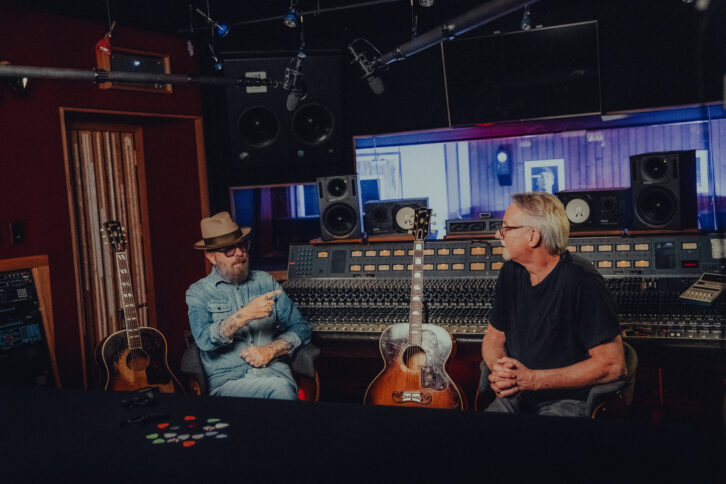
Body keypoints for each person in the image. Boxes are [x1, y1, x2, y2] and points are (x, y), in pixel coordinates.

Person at [481, 192, 626, 417]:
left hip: (567, 400)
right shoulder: (510, 272)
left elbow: (612, 365)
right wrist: (502, 371)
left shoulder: (582, 281)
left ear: (532, 236)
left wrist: (533, 380)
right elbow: (493, 339)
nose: (498, 234)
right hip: (516, 395)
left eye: (506, 228)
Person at [186, 211, 311, 399]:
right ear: (211, 256)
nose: (239, 254)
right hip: (228, 382)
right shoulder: (198, 293)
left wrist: (271, 350)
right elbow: (203, 340)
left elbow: (302, 327)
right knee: (279, 391)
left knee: (280, 388)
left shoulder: (265, 282)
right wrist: (245, 314)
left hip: (273, 373)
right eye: (229, 249)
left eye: (242, 246)